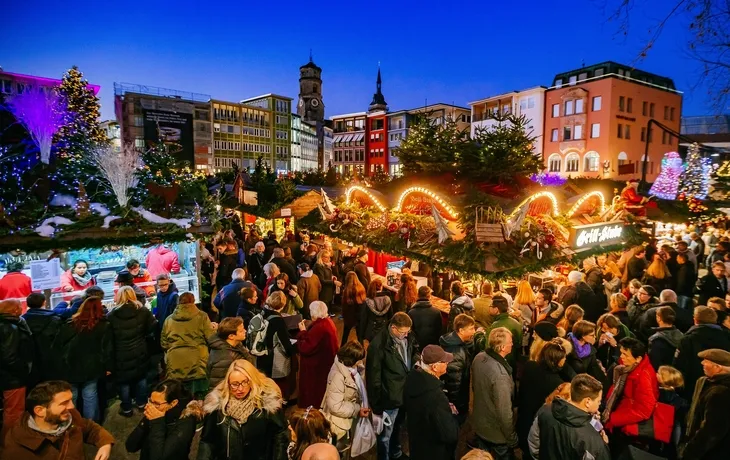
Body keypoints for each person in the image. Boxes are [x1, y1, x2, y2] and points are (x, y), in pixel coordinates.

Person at [198, 359, 290, 460]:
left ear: (252, 380)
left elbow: (280, 436)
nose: (240, 389)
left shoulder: (266, 405)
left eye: (244, 382)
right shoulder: (217, 408)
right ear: (228, 384)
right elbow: (207, 442)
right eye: (235, 384)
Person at [3, 380, 114, 459]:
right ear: (40, 411)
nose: (72, 407)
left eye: (70, 400)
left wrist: (105, 443)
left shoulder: (71, 416)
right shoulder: (16, 449)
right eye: (64, 403)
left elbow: (88, 427)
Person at [366, 312, 418, 460]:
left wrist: (416, 360)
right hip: (389, 398)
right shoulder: (378, 346)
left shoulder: (407, 335)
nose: (407, 335)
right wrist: (376, 407)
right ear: (393, 328)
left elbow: (414, 349)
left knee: (398, 428)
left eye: (408, 332)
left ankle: (396, 453)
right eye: (403, 332)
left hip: (403, 394)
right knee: (385, 436)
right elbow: (373, 379)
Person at [55, 296, 112, 422]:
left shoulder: (70, 324)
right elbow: (107, 349)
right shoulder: (103, 326)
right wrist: (108, 367)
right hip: (92, 367)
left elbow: (58, 346)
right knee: (90, 395)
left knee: (72, 396)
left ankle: (71, 422)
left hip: (70, 365)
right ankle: (90, 424)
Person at [528, 374, 610, 460]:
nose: (600, 404)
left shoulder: (545, 411)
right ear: (587, 402)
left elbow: (534, 443)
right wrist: (603, 445)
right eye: (598, 400)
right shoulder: (593, 441)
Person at [108, 285, 158, 417]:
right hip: (139, 350)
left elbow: (108, 337)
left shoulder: (112, 315)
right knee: (141, 377)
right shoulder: (142, 311)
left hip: (120, 354)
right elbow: (152, 326)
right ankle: (142, 403)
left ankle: (127, 408)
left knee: (123, 382)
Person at [404, 344, 460, 460]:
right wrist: (452, 415)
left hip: (417, 444)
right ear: (435, 367)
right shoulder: (436, 396)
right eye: (444, 362)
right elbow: (449, 434)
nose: (447, 364)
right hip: (434, 451)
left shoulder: (412, 378)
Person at [125, 379, 204, 460]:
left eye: (156, 403)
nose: (149, 406)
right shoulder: (155, 412)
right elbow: (131, 446)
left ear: (173, 403)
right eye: (150, 401)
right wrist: (144, 422)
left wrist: (157, 423)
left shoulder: (186, 422)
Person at [602, 338, 661, 443]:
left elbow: (644, 410)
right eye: (621, 353)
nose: (621, 357)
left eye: (625, 355)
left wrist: (613, 418)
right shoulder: (630, 367)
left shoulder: (643, 377)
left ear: (638, 358)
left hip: (624, 423)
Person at [516, 339, 569, 456]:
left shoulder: (530, 366)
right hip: (538, 427)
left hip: (524, 418)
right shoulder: (558, 384)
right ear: (558, 361)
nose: (565, 360)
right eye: (564, 358)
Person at [471, 327, 517, 459]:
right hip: (496, 434)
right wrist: (512, 438)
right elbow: (504, 412)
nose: (512, 344)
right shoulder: (500, 375)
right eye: (510, 342)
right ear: (502, 347)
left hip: (480, 425)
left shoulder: (479, 357)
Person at [161, 292, 214, 397]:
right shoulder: (202, 316)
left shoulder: (168, 320)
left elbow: (163, 343)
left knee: (179, 396)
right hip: (198, 362)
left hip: (175, 362)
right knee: (200, 396)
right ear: (193, 301)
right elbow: (210, 338)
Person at [321, 341, 368, 456]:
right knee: (338, 452)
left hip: (346, 420)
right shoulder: (338, 376)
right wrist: (357, 409)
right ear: (351, 360)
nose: (360, 362)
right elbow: (335, 406)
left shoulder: (351, 369)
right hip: (339, 424)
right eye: (358, 360)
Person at [682, 349, 730, 459]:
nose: (702, 363)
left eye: (707, 361)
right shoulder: (709, 384)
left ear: (718, 368)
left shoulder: (721, 393)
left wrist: (690, 452)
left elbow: (712, 430)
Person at [673, 305, 730, 397]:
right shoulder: (726, 336)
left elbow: (680, 365)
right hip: (721, 386)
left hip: (692, 388)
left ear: (695, 320)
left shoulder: (688, 339)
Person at [0, 299, 33, 443]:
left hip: (7, 376)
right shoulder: (10, 327)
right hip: (12, 378)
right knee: (14, 412)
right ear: (14, 310)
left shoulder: (6, 324)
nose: (22, 309)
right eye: (20, 307)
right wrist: (23, 370)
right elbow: (9, 356)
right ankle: (11, 443)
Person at [297, 301, 339, 408]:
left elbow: (305, 347)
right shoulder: (327, 322)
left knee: (314, 391)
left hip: (317, 367)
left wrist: (302, 332)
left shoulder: (320, 327)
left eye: (311, 311)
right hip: (325, 362)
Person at [252, 291, 296, 391]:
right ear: (283, 304)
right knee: (276, 386)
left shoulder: (262, 312)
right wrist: (292, 351)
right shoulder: (278, 320)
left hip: (260, 355)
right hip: (273, 359)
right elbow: (285, 344)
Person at [440, 313, 481, 422]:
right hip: (457, 399)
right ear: (461, 330)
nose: (474, 331)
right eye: (471, 329)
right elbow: (454, 382)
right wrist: (455, 404)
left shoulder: (455, 341)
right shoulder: (456, 352)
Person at [22, 293, 63, 386]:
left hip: (31, 364)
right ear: (44, 302)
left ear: (27, 304)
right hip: (53, 362)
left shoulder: (22, 321)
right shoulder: (55, 319)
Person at [208, 317, 254, 388]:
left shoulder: (236, 345)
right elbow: (218, 384)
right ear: (231, 336)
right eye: (241, 331)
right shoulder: (224, 357)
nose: (245, 331)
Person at [564, 320, 608, 389]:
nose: (595, 337)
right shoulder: (567, 348)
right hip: (569, 385)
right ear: (583, 336)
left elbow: (594, 367)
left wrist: (604, 383)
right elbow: (567, 370)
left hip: (582, 383)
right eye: (592, 335)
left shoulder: (589, 348)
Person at [487, 295, 522, 368]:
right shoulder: (517, 323)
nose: (489, 308)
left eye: (490, 306)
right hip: (512, 363)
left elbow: (487, 347)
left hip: (498, 364)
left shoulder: (494, 327)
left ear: (496, 309)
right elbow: (518, 345)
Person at [648, 306, 684, 370]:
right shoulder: (682, 336)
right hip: (676, 374)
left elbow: (654, 363)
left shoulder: (656, 340)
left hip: (662, 374)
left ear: (659, 318)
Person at [359, 278, 393, 345]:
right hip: (384, 329)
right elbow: (390, 316)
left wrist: (361, 335)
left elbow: (364, 319)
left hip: (371, 329)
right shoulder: (388, 300)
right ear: (381, 287)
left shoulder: (368, 301)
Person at [340, 271, 366, 346]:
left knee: (345, 334)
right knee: (359, 336)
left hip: (349, 316)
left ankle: (342, 347)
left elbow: (345, 305)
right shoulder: (361, 287)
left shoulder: (347, 291)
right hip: (359, 316)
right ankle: (362, 351)